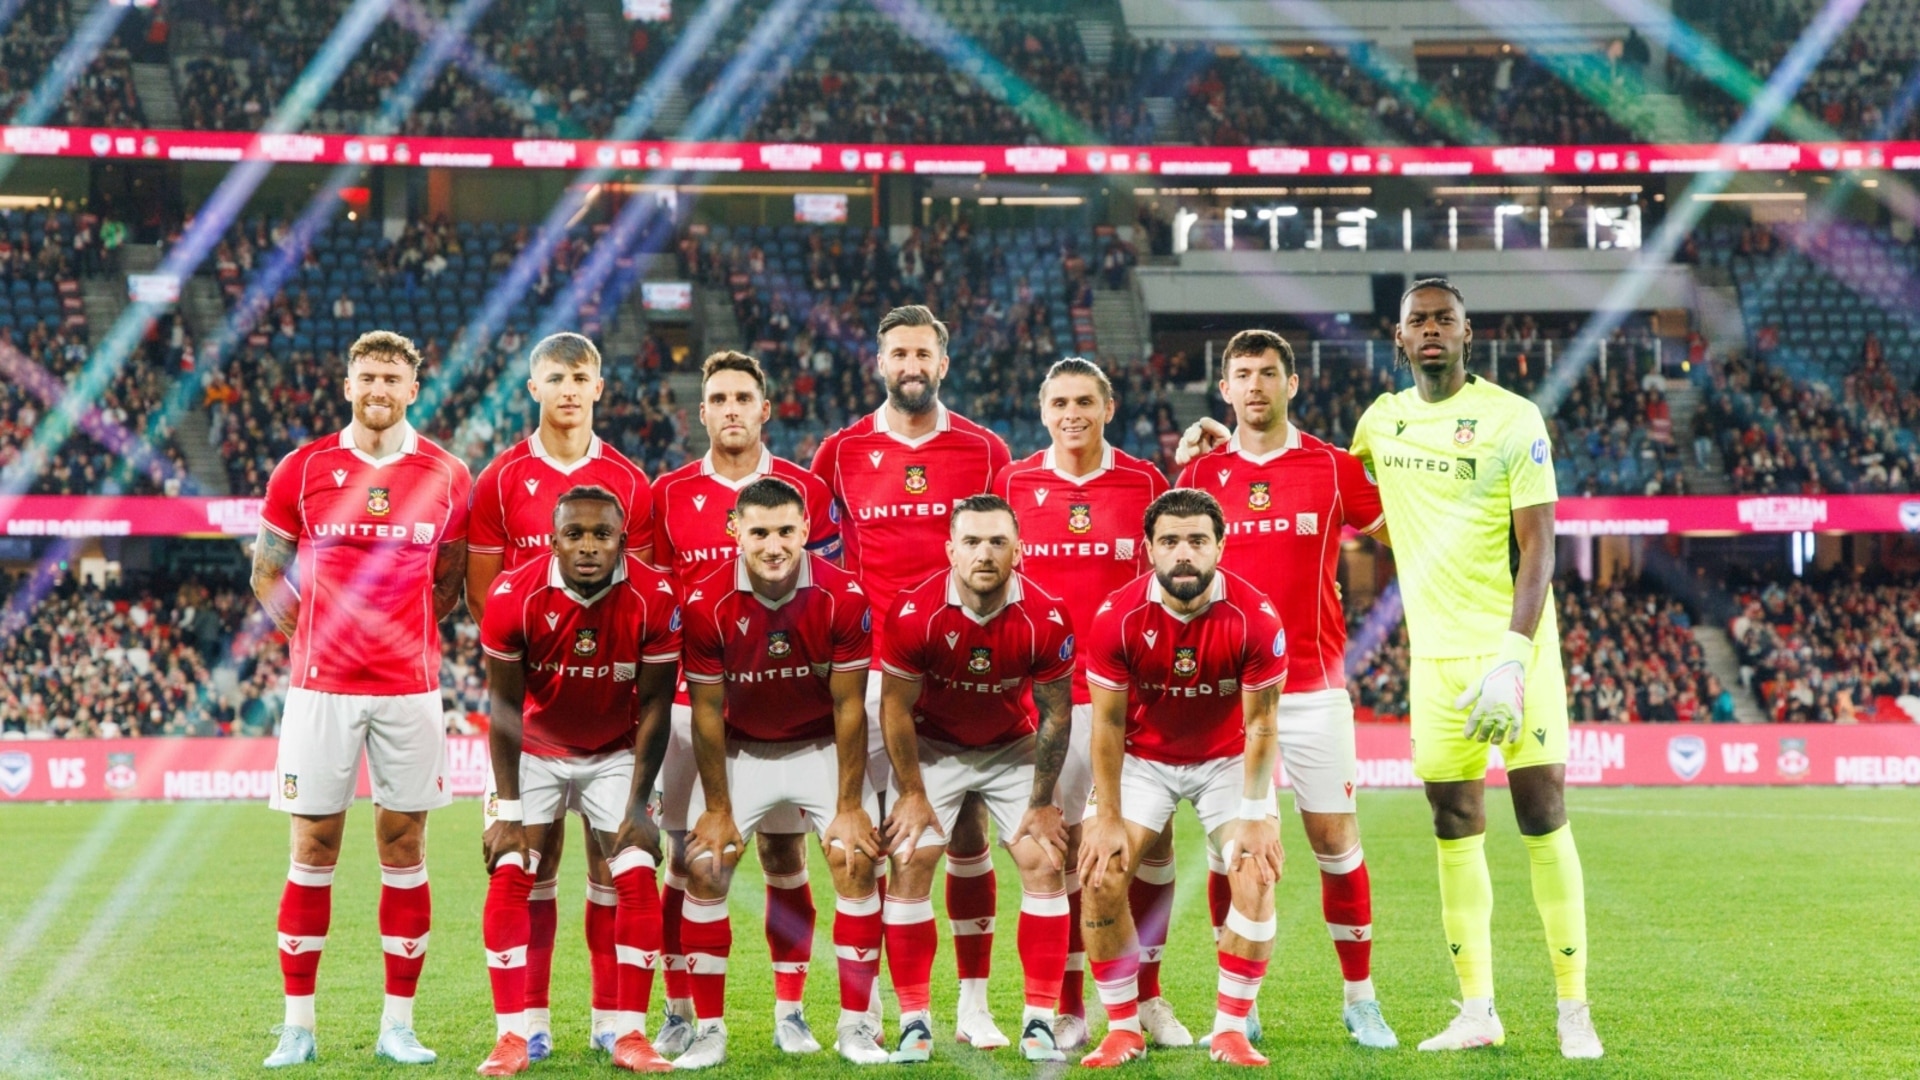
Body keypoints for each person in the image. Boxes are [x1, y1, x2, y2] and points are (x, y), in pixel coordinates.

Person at [1349, 278, 1601, 1058]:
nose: (1430, 331)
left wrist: (1512, 659)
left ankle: (1572, 1010)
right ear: (1398, 338)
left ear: (1468, 333)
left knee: (1541, 814)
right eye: (1417, 321)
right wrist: (1236, 442)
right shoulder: (1380, 423)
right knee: (1453, 823)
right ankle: (1477, 1011)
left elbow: (1541, 548)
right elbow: (1346, 493)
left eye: (1444, 320)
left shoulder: (1512, 418)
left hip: (1514, 655)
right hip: (1434, 662)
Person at [1172, 329, 1398, 1049]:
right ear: (1226, 390)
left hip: (1312, 688)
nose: (1256, 386)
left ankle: (1360, 998)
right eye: (1242, 375)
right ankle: (1241, 1000)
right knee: (1232, 854)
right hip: (1223, 696)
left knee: (1336, 842)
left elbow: (1405, 532)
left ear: (1292, 384)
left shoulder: (1332, 469)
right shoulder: (1202, 476)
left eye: (1269, 373)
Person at [252, 330, 472, 1068]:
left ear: (414, 388)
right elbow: (266, 574)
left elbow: (448, 582)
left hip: (411, 690)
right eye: (367, 376)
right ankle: (297, 1025)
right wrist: (315, 638)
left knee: (405, 847)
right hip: (321, 690)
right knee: (312, 849)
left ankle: (398, 1026)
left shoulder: (446, 473)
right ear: (347, 384)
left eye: (393, 377)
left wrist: (397, 636)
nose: (379, 388)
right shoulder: (304, 467)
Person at [810, 304, 1013, 1044]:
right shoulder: (839, 451)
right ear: (879, 363)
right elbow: (812, 554)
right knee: (870, 844)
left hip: (961, 669)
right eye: (898, 353)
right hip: (866, 675)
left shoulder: (986, 450)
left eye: (923, 353)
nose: (911, 365)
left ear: (944, 364)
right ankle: (872, 1015)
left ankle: (971, 1006)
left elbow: (1008, 550)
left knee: (964, 837)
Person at [466, 332, 656, 1059]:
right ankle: (531, 1024)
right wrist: (532, 651)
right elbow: (489, 596)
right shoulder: (500, 479)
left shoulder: (631, 481)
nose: (569, 389)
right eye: (555, 377)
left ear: (599, 387)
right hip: (532, 707)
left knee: (615, 864)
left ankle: (615, 1024)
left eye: (581, 377)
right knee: (530, 863)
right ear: (533, 388)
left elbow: (638, 595)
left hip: (609, 711)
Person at [649, 350, 842, 1056]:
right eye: (718, 397)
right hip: (687, 703)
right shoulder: (667, 493)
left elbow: (828, 587)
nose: (731, 408)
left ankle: (790, 1011)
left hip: (788, 707)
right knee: (688, 857)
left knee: (786, 855)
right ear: (701, 413)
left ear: (766, 409)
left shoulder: (806, 488)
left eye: (743, 398)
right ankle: (681, 1008)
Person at [671, 477, 890, 1069]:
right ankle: (710, 1030)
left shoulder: (843, 595)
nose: (774, 546)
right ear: (734, 530)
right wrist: (717, 809)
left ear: (806, 532)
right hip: (740, 752)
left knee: (856, 857)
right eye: (760, 532)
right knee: (706, 865)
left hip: (817, 747)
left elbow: (849, 708)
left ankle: (854, 1029)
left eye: (787, 531)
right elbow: (707, 712)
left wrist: (849, 804)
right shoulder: (704, 602)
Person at [991, 357, 1175, 1052]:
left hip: (1132, 701)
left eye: (1085, 401)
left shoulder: (1145, 482)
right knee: (1061, 856)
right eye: (1060, 401)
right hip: (1047, 707)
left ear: (1109, 407)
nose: (1072, 413)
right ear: (1044, 412)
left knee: (1148, 854)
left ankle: (1148, 998)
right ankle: (1070, 1007)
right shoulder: (1012, 483)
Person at [1076, 488, 1288, 1069]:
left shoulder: (1255, 616)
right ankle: (1123, 1029)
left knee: (1255, 870)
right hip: (1145, 759)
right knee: (1098, 874)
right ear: (1149, 549)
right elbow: (1108, 726)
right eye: (1169, 541)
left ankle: (1230, 1030)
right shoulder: (1116, 617)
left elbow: (1262, 725)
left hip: (1228, 758)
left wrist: (1253, 815)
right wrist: (1109, 819)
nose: (1184, 553)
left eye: (1197, 540)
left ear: (1221, 545)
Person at [475, 486, 682, 1076]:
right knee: (513, 867)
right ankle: (513, 1036)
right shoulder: (513, 595)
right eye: (575, 534)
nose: (588, 546)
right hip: (535, 748)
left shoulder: (655, 596)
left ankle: (629, 1035)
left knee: (636, 867)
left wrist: (639, 807)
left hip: (616, 750)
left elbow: (657, 708)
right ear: (552, 538)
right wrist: (508, 814)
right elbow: (506, 709)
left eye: (602, 535)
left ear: (622, 538)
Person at [876, 495, 1077, 1064]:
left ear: (1019, 550)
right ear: (950, 551)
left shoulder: (1047, 615)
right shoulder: (914, 612)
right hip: (932, 743)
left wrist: (1041, 804)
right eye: (971, 542)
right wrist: (912, 794)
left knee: (1042, 856)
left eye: (996, 542)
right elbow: (894, 708)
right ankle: (914, 1022)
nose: (984, 554)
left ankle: (1038, 1022)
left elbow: (1056, 712)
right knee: (911, 857)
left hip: (1009, 745)